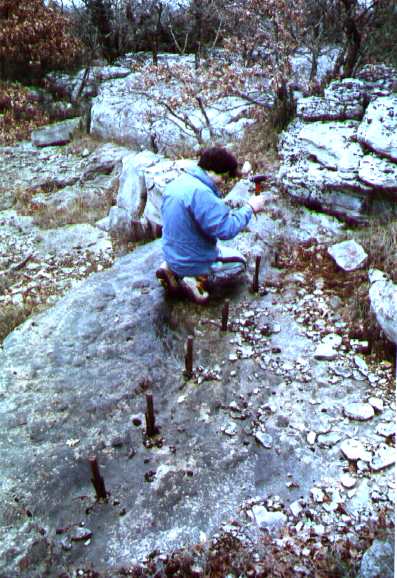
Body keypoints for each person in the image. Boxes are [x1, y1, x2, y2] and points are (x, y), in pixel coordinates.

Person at [156, 147, 265, 304]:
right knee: (240, 263)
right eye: (224, 178)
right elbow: (226, 230)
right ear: (212, 171)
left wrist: (241, 173)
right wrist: (250, 208)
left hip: (171, 254)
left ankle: (170, 268)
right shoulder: (202, 193)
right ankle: (195, 279)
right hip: (194, 260)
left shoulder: (179, 183)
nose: (224, 183)